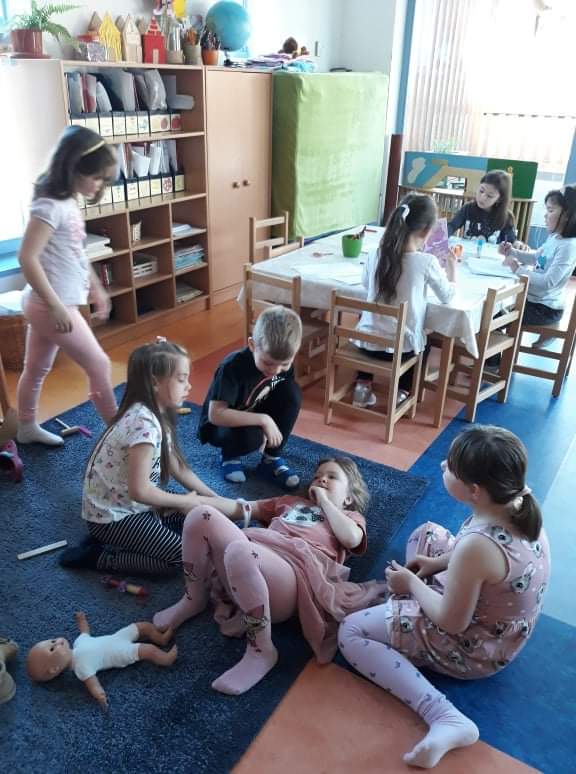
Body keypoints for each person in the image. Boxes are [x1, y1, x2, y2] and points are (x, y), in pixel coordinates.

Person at [339, 426, 550, 770]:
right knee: (427, 534)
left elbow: (453, 622)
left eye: (450, 467)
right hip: (497, 620)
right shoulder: (518, 505)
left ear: (475, 491)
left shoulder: (477, 547)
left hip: (475, 648)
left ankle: (445, 716)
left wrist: (412, 584)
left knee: (350, 631)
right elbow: (477, 557)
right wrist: (436, 564)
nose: (441, 466)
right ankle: (402, 615)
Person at [153, 457, 387, 695]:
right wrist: (187, 501)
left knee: (241, 551)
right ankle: (193, 599)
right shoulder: (291, 502)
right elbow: (239, 507)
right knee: (201, 515)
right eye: (317, 476)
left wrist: (325, 502)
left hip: (291, 578)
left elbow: (351, 539)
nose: (321, 480)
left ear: (348, 498)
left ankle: (261, 650)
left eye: (332, 477)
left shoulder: (351, 518)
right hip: (251, 558)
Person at [59, 338, 216, 576]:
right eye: (182, 379)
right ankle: (102, 557)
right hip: (114, 517)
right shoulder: (144, 425)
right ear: (154, 382)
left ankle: (121, 538)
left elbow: (178, 468)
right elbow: (140, 491)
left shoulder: (155, 414)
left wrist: (213, 499)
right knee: (183, 558)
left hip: (136, 505)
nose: (189, 386)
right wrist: (183, 501)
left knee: (199, 517)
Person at [16, 126, 119, 446]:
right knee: (99, 364)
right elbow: (27, 257)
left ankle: (26, 426)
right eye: (97, 178)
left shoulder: (69, 201)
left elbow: (75, 252)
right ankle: (118, 432)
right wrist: (56, 306)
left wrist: (96, 288)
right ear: (74, 167)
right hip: (50, 305)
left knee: (35, 367)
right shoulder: (49, 206)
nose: (99, 185)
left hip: (52, 303)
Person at [353, 193, 457, 408]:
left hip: (365, 344)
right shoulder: (426, 262)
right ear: (426, 231)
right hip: (401, 351)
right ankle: (402, 392)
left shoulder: (375, 254)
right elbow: (447, 296)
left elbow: (365, 284)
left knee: (370, 323)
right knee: (424, 340)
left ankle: (362, 387)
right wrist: (452, 270)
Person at [198, 305, 303, 487]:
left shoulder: (281, 365)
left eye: (284, 364)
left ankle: (271, 459)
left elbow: (281, 396)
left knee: (292, 393)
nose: (275, 370)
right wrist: (263, 420)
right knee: (252, 437)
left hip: (252, 410)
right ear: (252, 345)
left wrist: (268, 420)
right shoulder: (232, 366)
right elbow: (216, 415)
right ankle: (229, 455)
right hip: (220, 425)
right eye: (268, 363)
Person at [26, 611, 176, 708]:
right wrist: (99, 694)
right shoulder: (81, 668)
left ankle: (161, 638)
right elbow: (92, 683)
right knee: (148, 651)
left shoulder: (78, 643)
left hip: (118, 637)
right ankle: (165, 659)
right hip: (120, 653)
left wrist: (81, 620)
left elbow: (85, 632)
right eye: (53, 648)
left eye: (52, 640)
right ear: (54, 669)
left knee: (143, 626)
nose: (58, 642)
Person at [499, 184, 576, 347]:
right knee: (497, 308)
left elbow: (548, 282)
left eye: (550, 210)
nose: (545, 215)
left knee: (496, 316)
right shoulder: (555, 237)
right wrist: (512, 251)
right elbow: (535, 258)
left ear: (567, 215)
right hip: (533, 300)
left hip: (545, 309)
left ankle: (494, 359)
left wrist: (517, 269)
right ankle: (494, 355)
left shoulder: (568, 246)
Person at [447, 170, 516, 243]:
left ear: (499, 199)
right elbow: (452, 225)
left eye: (490, 196)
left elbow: (511, 240)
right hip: (468, 250)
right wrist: (441, 235)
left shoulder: (506, 217)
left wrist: (517, 243)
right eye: (481, 191)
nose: (483, 197)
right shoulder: (467, 208)